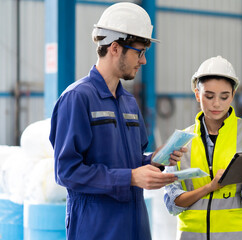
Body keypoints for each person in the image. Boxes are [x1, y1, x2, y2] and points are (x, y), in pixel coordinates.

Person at [49, 3, 185, 240]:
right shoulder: (78, 98)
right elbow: (66, 171)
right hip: (97, 228)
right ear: (114, 47)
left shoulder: (129, 103)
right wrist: (131, 177)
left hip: (135, 224)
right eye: (139, 52)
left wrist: (154, 159)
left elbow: (131, 163)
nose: (143, 61)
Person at [164, 56, 242, 239]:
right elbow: (173, 205)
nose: (217, 104)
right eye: (209, 96)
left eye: (224, 96)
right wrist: (210, 187)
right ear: (197, 94)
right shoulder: (180, 141)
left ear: (233, 94)